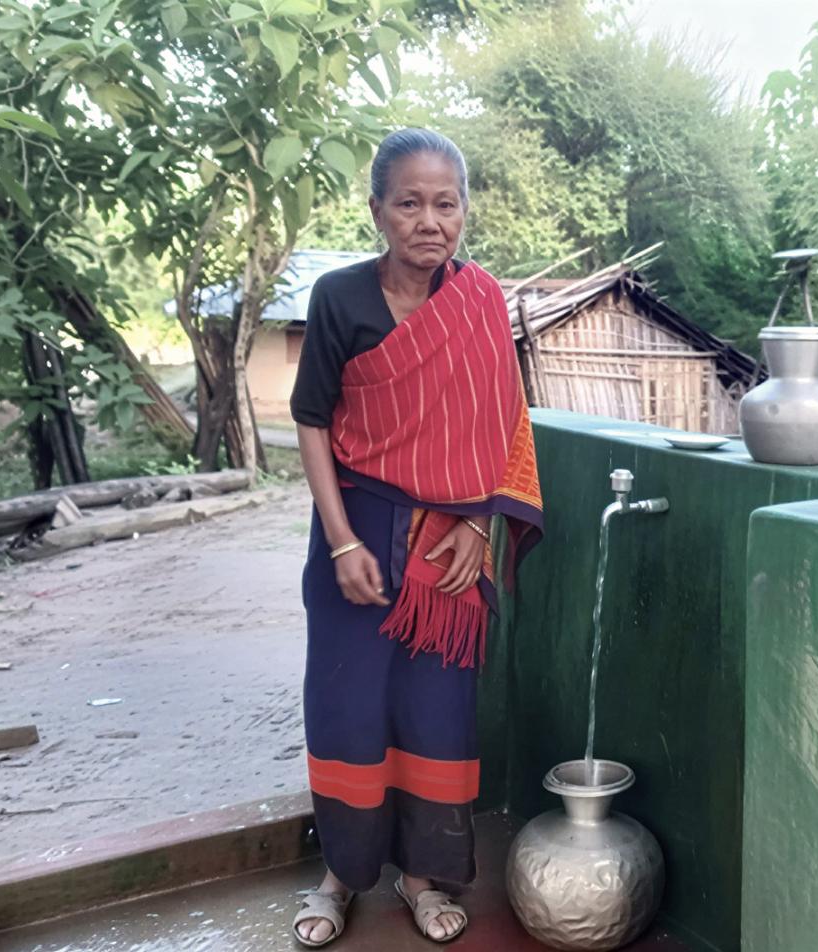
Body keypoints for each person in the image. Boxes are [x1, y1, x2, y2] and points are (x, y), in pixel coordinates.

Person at [286, 128, 544, 947]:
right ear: (378, 211)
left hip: (448, 545)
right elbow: (312, 422)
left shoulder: (479, 301)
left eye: (446, 203)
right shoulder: (339, 298)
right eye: (409, 203)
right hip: (356, 533)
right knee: (348, 712)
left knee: (435, 714)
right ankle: (340, 875)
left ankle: (422, 875)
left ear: (464, 210)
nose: (429, 221)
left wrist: (477, 522)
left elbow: (503, 419)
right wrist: (338, 543)